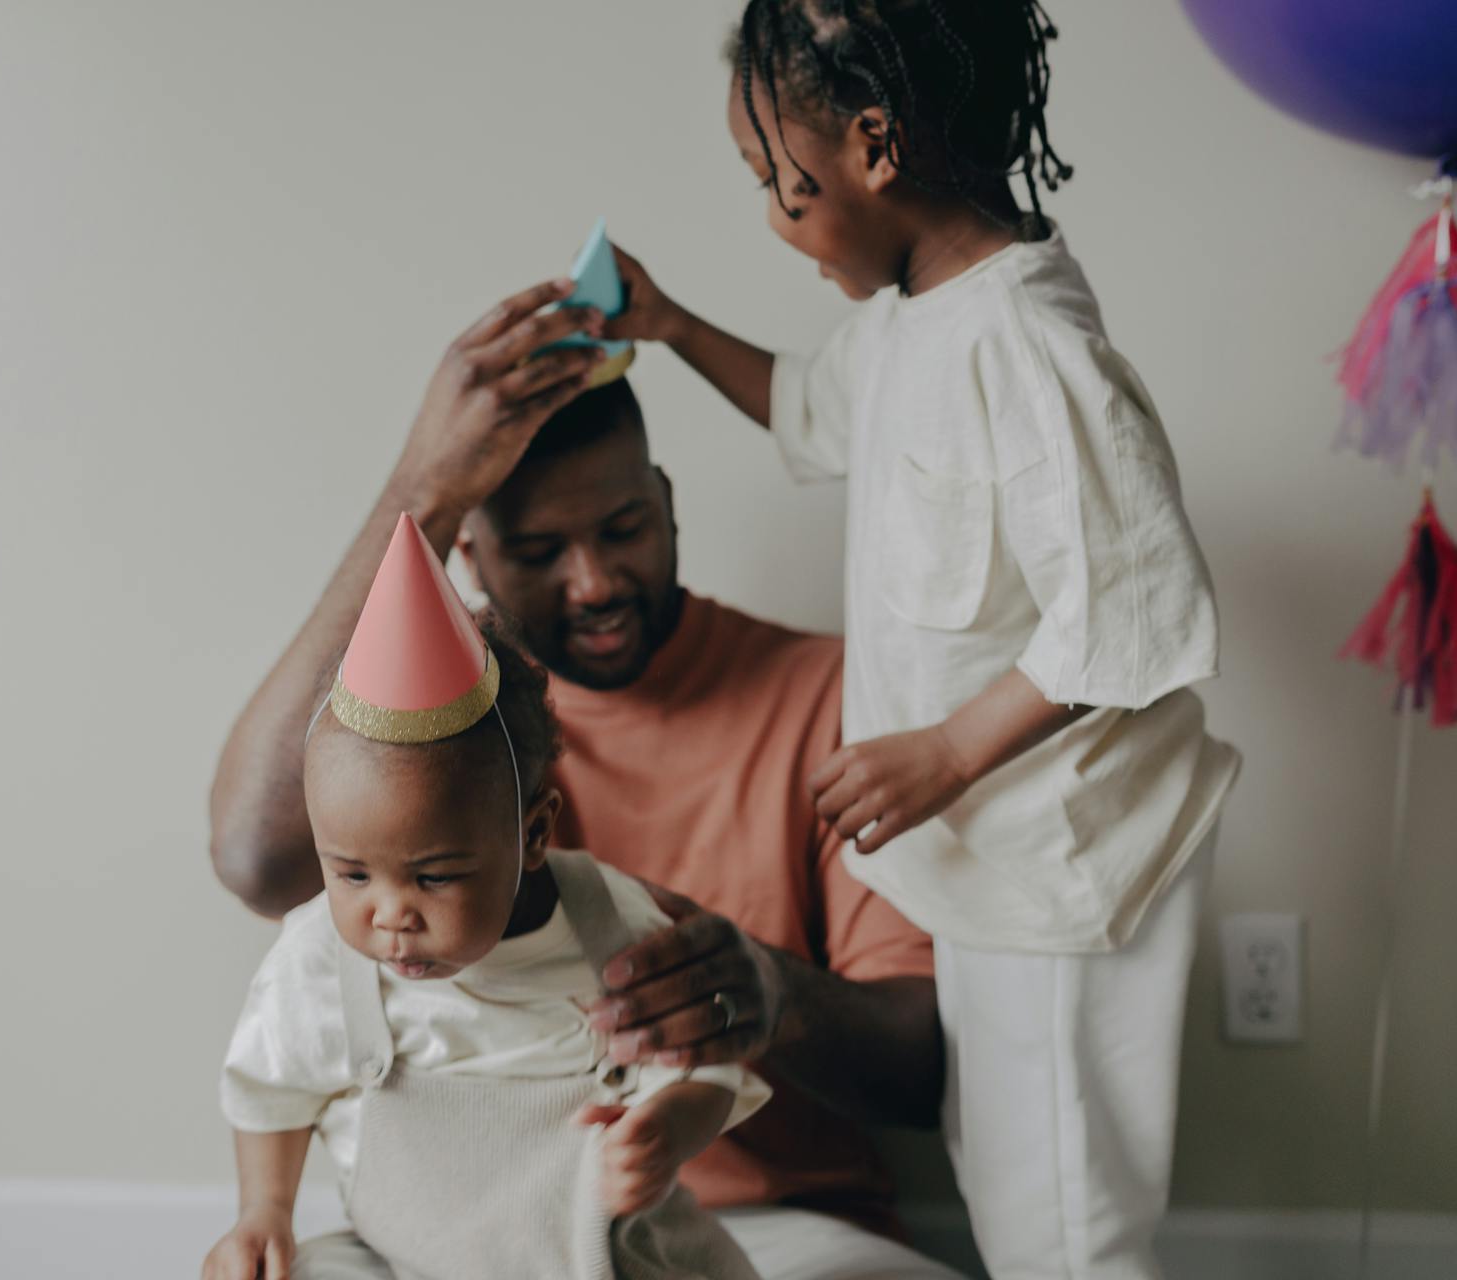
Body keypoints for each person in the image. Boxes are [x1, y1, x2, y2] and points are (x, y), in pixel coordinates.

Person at [593, 4, 1242, 1276]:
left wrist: (948, 747)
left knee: (1065, 1221)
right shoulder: (906, 320)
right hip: (989, 875)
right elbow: (804, 407)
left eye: (778, 184)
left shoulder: (1028, 344)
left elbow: (1132, 606)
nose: (773, 219)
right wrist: (666, 324)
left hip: (1062, 876)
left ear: (875, 145)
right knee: (1008, 1175)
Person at [212, 284, 957, 1279]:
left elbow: (925, 1067)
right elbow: (258, 859)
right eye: (538, 549)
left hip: (764, 1228)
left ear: (668, 503)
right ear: (469, 555)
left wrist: (771, 993)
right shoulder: (443, 757)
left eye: (622, 528)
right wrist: (417, 495)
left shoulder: (829, 694)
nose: (596, 579)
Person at [204, 516, 768, 1280]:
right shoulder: (321, 960)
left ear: (534, 834)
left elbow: (703, 1066)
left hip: (595, 1256)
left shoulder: (612, 932)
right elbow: (275, 1085)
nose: (390, 914)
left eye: (434, 876)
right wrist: (264, 1211)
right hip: (407, 1260)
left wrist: (665, 1130)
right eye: (352, 874)